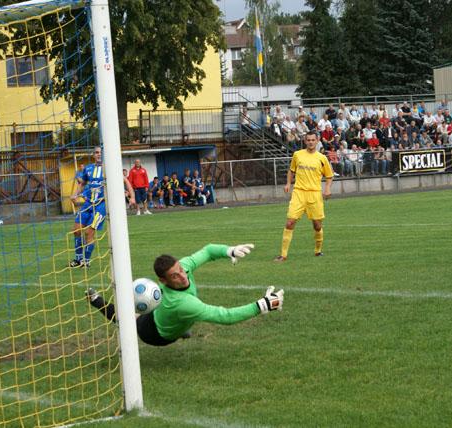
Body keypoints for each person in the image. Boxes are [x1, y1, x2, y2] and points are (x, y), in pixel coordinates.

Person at [85, 243, 284, 346]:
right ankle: (97, 301)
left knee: (148, 310)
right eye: (175, 275)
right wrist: (262, 305)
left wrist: (228, 250)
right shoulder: (182, 303)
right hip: (154, 334)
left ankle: (180, 327)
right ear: (163, 281)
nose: (182, 276)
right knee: (127, 319)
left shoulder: (184, 268)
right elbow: (226, 316)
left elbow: (207, 251)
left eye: (180, 269)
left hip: (164, 313)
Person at [69, 146, 136, 268]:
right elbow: (82, 183)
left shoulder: (110, 168)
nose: (98, 154)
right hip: (87, 204)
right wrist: (75, 194)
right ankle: (78, 259)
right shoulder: (88, 169)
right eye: (96, 152)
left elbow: (125, 181)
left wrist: (132, 197)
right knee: (76, 230)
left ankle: (86, 260)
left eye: (100, 153)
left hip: (101, 206)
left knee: (89, 233)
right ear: (93, 155)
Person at [274, 131, 333, 262]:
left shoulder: (322, 158)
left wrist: (327, 188)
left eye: (313, 140)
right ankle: (283, 255)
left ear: (317, 141)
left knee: (317, 225)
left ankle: (318, 251)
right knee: (290, 222)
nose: (311, 142)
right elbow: (291, 170)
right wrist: (288, 183)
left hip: (315, 194)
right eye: (308, 140)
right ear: (305, 141)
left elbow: (329, 176)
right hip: (299, 193)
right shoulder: (297, 155)